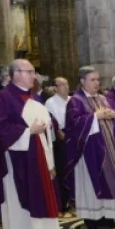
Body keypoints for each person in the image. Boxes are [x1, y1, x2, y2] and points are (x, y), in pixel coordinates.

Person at [0, 59, 61, 229]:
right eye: (29, 72)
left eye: (33, 72)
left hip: (39, 152)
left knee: (43, 191)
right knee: (23, 194)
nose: (33, 76)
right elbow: (0, 128)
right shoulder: (4, 96)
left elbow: (44, 119)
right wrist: (28, 131)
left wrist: (48, 124)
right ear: (16, 73)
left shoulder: (33, 97)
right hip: (18, 157)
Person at [64, 66, 115, 229]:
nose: (96, 83)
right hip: (89, 152)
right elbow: (73, 125)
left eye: (98, 80)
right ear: (82, 81)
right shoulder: (75, 101)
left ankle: (109, 217)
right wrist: (95, 117)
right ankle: (91, 219)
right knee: (91, 185)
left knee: (111, 182)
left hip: (110, 150)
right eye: (92, 80)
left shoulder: (104, 99)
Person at [44, 77, 70, 211]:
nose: (66, 87)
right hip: (61, 139)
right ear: (55, 88)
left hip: (75, 136)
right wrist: (60, 131)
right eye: (62, 85)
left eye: (67, 84)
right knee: (63, 170)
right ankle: (63, 200)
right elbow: (53, 122)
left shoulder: (72, 100)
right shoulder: (50, 102)